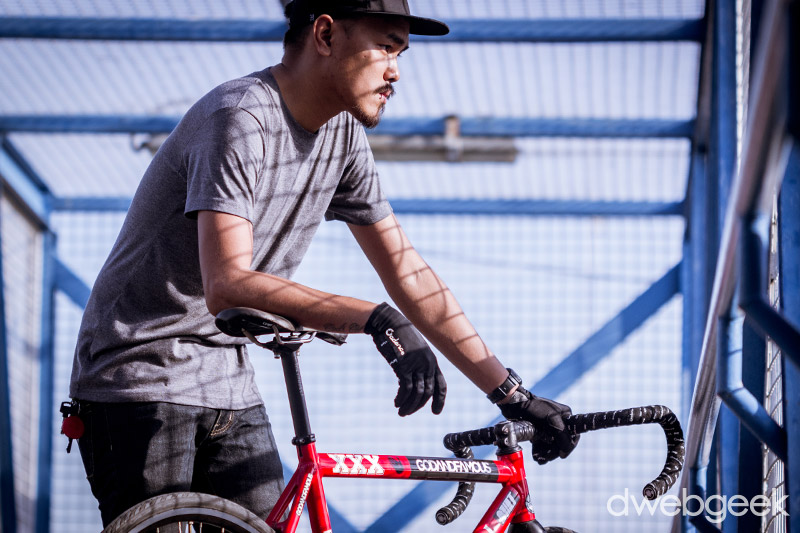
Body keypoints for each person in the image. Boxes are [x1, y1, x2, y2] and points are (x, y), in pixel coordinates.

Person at [69, 0, 579, 526]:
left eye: (401, 53)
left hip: (228, 382)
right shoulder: (241, 117)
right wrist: (375, 319)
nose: (395, 71)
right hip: (139, 374)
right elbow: (227, 283)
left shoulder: (344, 136)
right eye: (385, 46)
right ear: (326, 35)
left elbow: (408, 272)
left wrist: (510, 394)